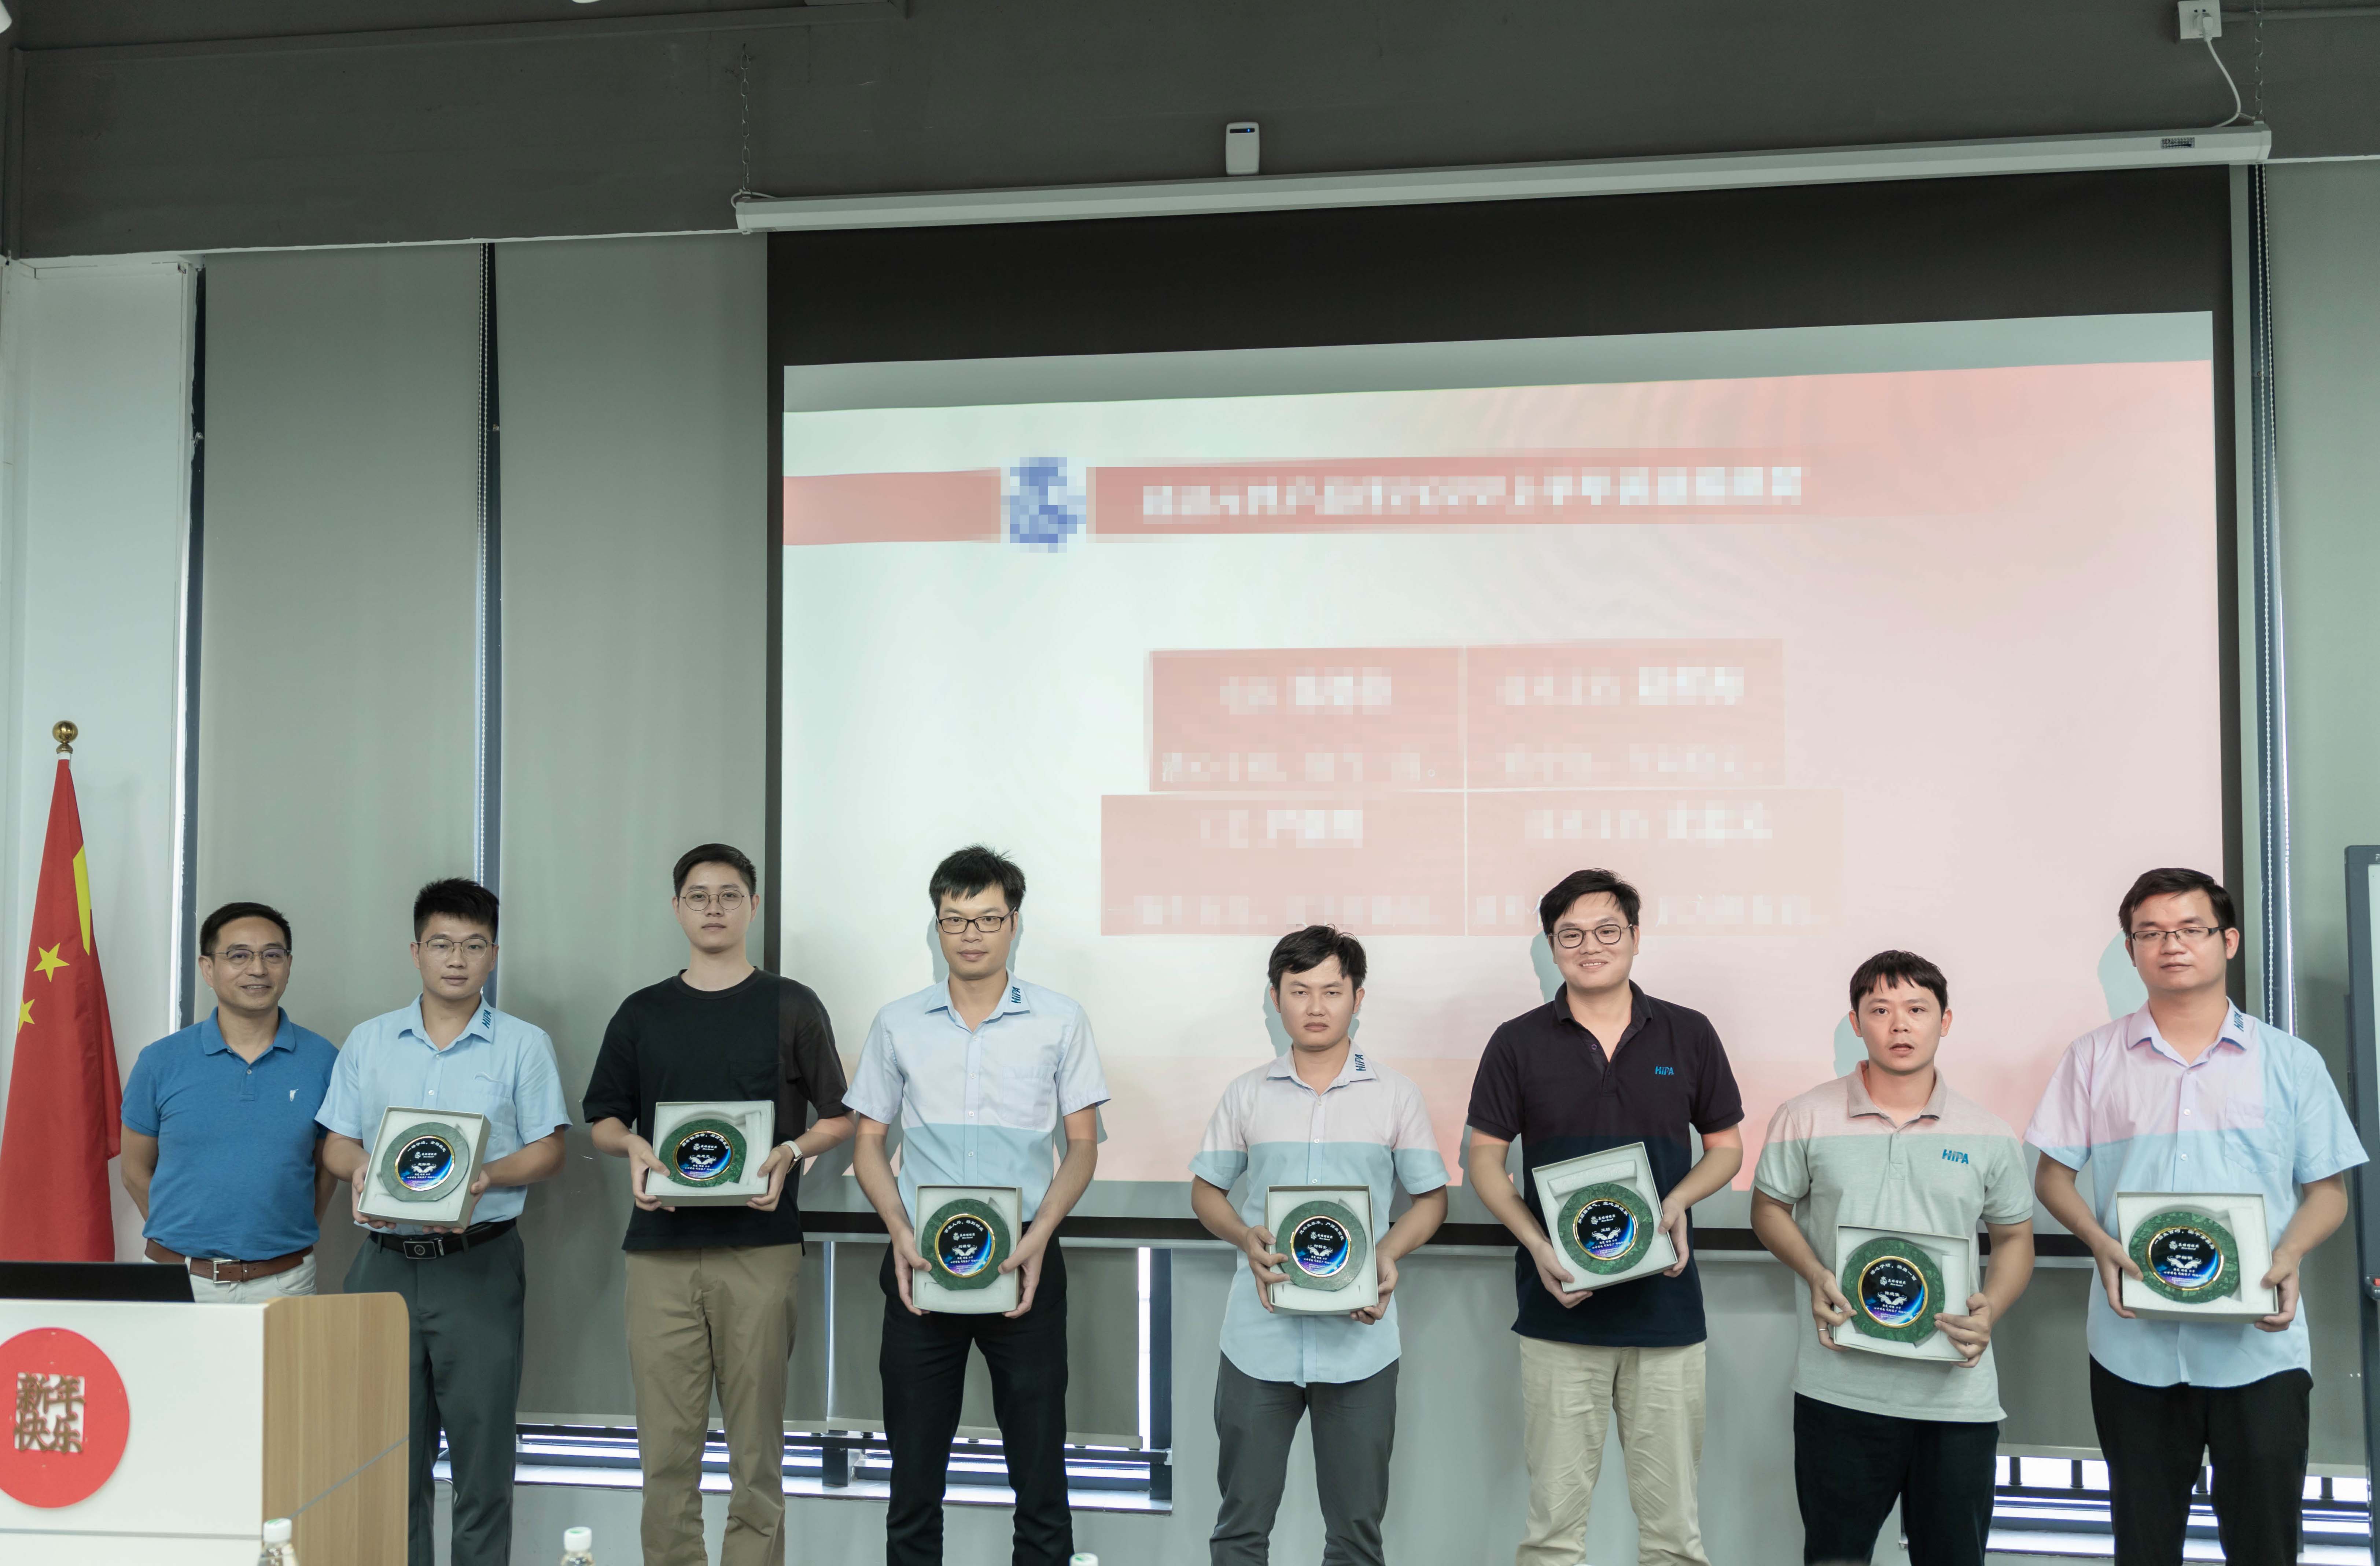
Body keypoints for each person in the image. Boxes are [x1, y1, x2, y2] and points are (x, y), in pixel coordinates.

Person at [2030, 867, 2366, 1566]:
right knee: (2143, 1547)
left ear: (2228, 940)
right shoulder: (2091, 1058)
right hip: (2132, 1349)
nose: (2170, 944)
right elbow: (2052, 1178)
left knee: (2264, 1545)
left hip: (2259, 1349)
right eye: (2149, 932)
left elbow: (2327, 1192)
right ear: (2131, 950)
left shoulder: (2289, 1061)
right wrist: (2096, 1241)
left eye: (2189, 929)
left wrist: (2288, 1254)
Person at [584, 843, 856, 1566]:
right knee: (665, 1454)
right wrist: (631, 1145)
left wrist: (791, 1150)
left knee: (756, 1454)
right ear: (677, 908)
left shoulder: (791, 1004)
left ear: (753, 906)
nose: (714, 907)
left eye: (729, 894)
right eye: (698, 895)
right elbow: (603, 1117)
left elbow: (839, 1116)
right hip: (659, 1252)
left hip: (760, 1249)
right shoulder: (642, 1012)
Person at [1465, 867, 1744, 1566]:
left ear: (1635, 937)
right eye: (1571, 934)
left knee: (1673, 1537)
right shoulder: (1516, 1041)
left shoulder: (1687, 1032)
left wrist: (1676, 1200)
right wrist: (1536, 1243)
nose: (1590, 945)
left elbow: (1726, 1148)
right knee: (1552, 1534)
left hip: (1666, 1313)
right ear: (1550, 946)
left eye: (1606, 930)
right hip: (1558, 1312)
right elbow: (1483, 1160)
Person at [847, 845, 1108, 1566]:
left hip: (1023, 1258)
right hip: (919, 1259)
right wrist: (898, 1229)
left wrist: (1040, 1233)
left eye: (988, 917)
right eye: (954, 918)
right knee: (913, 1477)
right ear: (936, 925)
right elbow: (867, 1142)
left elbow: (1082, 1145)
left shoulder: (1060, 1020)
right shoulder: (898, 1022)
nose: (971, 933)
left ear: (1013, 923)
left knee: (1039, 1473)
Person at [1750, 950, 2036, 1566]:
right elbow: (1768, 1209)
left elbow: (2015, 1238)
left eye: (1916, 1009)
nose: (1899, 1024)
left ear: (1945, 1020)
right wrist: (1814, 1272)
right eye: (1879, 1010)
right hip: (1838, 1392)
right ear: (1855, 1022)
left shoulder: (1988, 1132)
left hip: (1956, 1399)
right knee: (1834, 1557)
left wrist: (1990, 1307)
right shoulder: (1804, 1115)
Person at [317, 878, 571, 1566]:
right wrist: (360, 1166)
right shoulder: (370, 1041)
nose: (456, 959)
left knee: (482, 1463)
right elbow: (336, 1140)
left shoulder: (522, 1044)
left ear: (494, 955)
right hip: (382, 1264)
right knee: (383, 1458)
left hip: (478, 1265)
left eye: (473, 945)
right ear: (415, 951)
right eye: (441, 944)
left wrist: (486, 1174)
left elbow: (550, 1150)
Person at [1189, 925, 1449, 1566]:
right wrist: (1243, 1234)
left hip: (1359, 1344)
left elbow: (1430, 1200)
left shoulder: (1394, 1094)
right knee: (1239, 1527)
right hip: (1258, 1340)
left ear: (1357, 998)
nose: (1314, 1006)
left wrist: (1385, 1254)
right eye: (1298, 990)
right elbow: (1206, 1192)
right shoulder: (1247, 1092)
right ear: (1274, 998)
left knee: (1355, 1534)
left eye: (1331, 991)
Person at [120, 901, 338, 1299]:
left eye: (272, 955)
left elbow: (327, 1169)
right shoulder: (160, 1061)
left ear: (288, 965)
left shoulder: (324, 1060)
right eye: (239, 955)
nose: (258, 969)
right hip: (178, 1278)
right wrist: (183, 1240)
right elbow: (135, 1170)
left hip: (285, 1280)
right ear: (208, 968)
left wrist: (283, 1238)